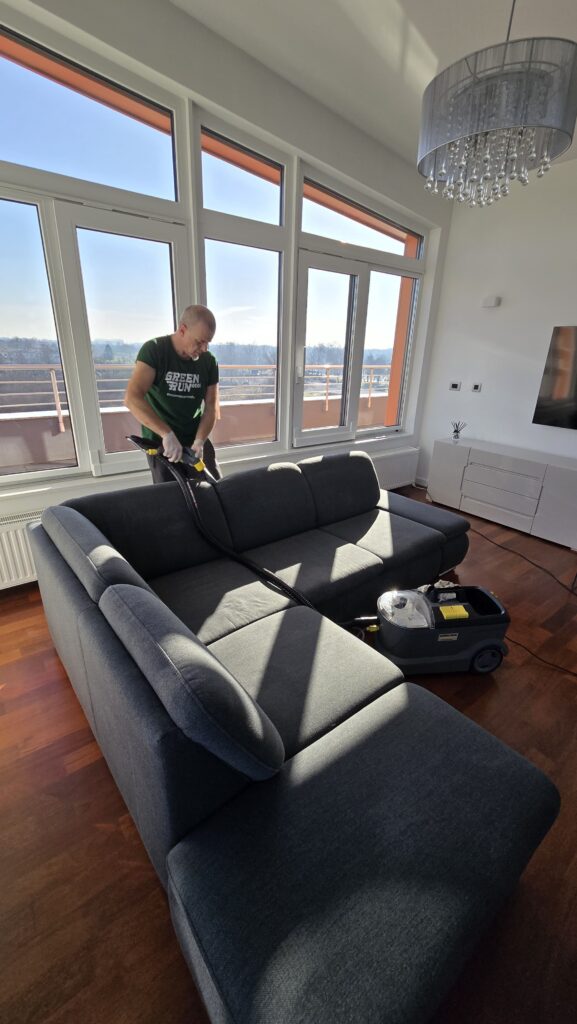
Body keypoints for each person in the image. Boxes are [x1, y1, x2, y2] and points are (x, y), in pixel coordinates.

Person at [125, 305, 221, 482]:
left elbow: (211, 407)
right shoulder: (154, 350)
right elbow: (132, 398)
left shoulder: (208, 361)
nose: (204, 348)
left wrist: (200, 440)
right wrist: (166, 434)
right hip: (162, 443)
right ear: (182, 330)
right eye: (200, 341)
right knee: (170, 495)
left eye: (208, 342)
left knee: (215, 489)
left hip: (195, 440)